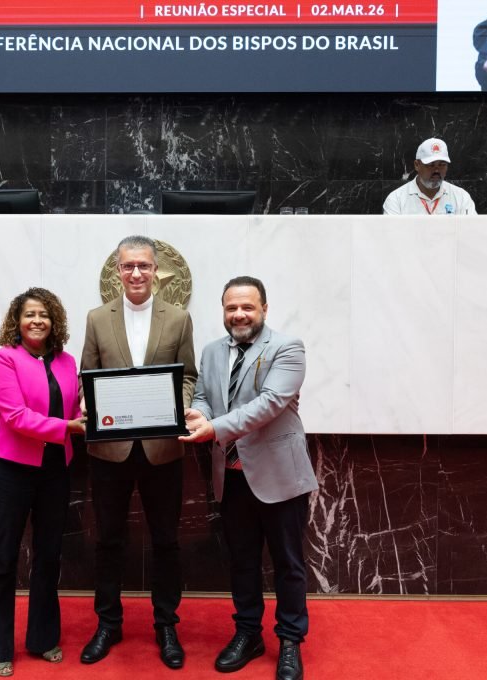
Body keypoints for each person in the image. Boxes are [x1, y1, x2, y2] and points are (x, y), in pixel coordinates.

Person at [180, 276, 317, 680]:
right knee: (241, 562)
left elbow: (270, 403)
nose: (238, 314)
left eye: (247, 307)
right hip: (233, 477)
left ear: (264, 309)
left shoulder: (287, 348)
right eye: (230, 308)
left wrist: (214, 428)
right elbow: (204, 394)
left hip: (280, 476)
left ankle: (291, 641)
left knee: (288, 564)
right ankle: (248, 634)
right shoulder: (211, 351)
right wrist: (200, 413)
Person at [79, 235, 197, 669]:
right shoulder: (96, 318)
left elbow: (188, 375)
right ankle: (107, 624)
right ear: (117, 270)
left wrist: (181, 403)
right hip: (109, 449)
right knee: (108, 540)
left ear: (156, 271)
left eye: (144, 266)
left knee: (166, 541)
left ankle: (166, 625)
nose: (136, 274)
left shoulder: (179, 318)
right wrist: (88, 400)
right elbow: (85, 375)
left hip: (162, 449)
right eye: (128, 266)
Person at [0, 287, 86, 677]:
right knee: (4, 558)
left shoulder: (66, 361)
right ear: (17, 321)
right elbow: (15, 416)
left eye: (44, 314)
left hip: (56, 469)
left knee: (48, 556)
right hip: (12, 469)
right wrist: (69, 426)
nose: (37, 320)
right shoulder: (3, 358)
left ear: (54, 321)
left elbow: (72, 406)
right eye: (30, 314)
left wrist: (87, 412)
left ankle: (43, 638)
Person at [383, 138, 477, 216]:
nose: (436, 170)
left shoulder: (461, 197)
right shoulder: (396, 199)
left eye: (442, 165)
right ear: (417, 165)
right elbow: (392, 236)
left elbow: (472, 232)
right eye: (431, 165)